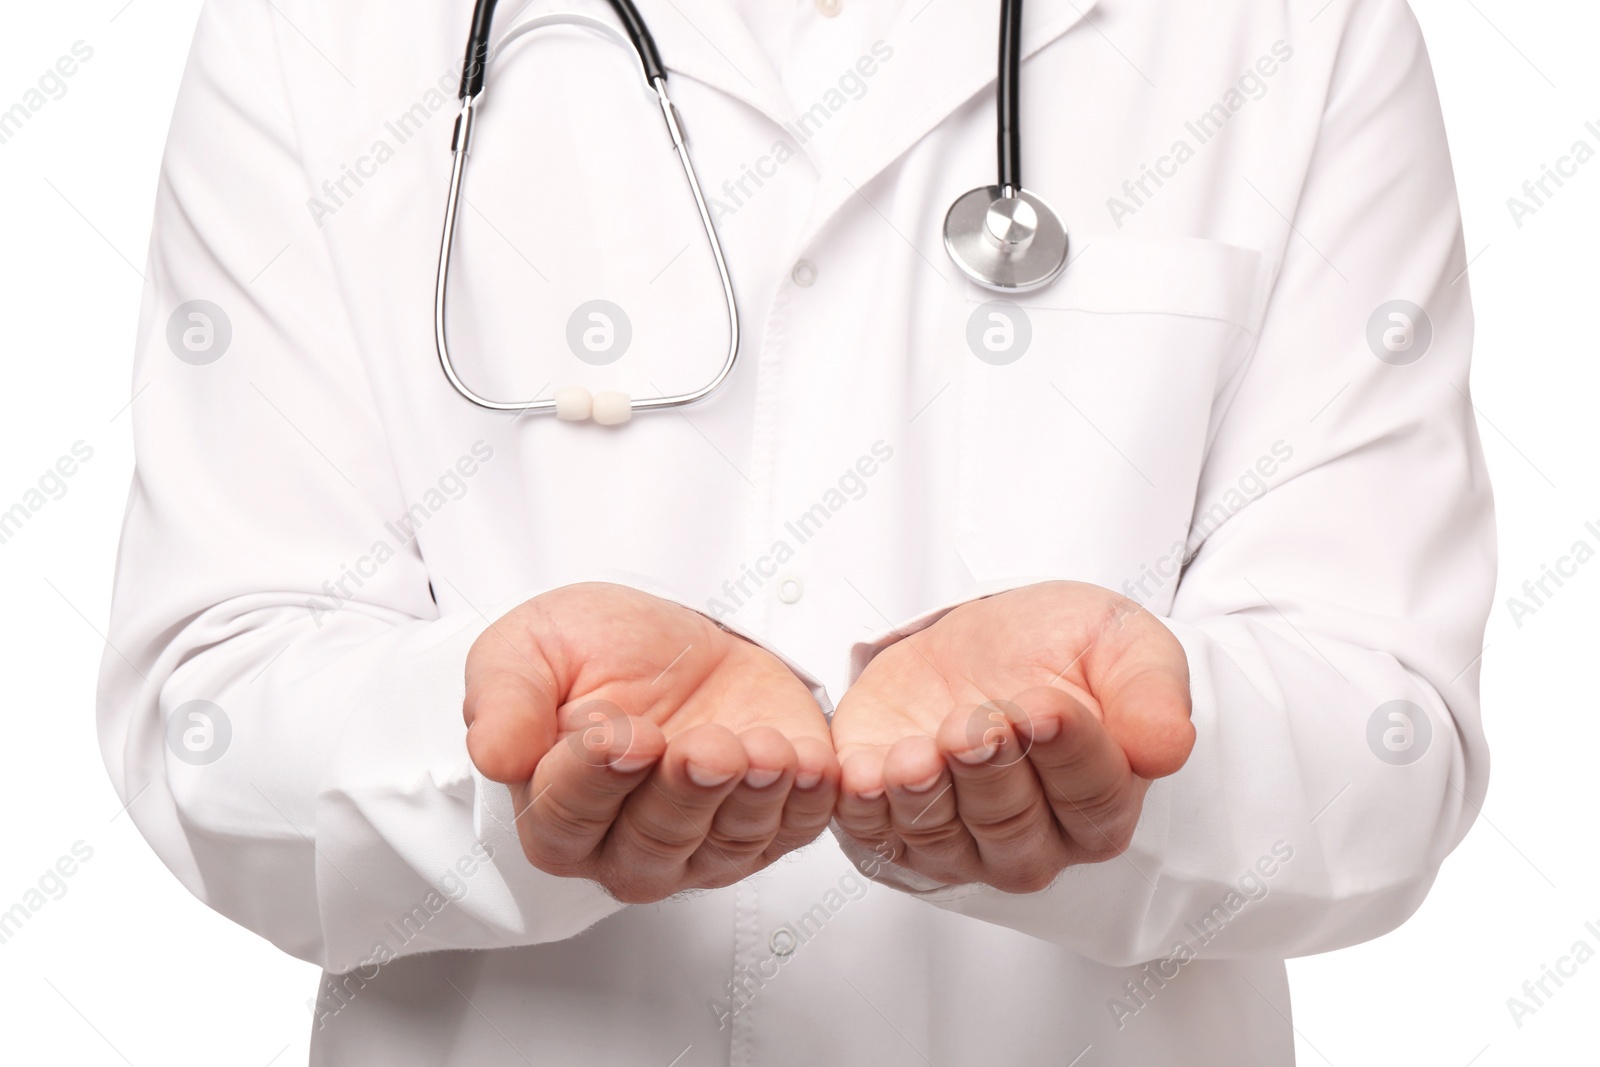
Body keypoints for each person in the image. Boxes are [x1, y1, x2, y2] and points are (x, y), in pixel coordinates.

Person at [98, 0, 1494, 1062]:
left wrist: (1135, 758)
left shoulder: (1295, 30)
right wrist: (498, 768)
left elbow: (1389, 731)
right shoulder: (315, 33)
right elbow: (208, 706)